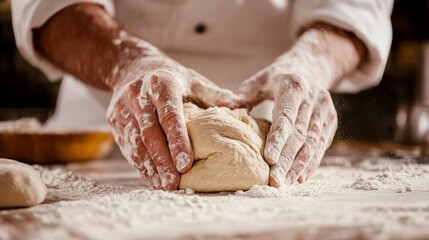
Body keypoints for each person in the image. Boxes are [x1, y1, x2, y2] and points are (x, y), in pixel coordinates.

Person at [11, 0, 393, 190]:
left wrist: (312, 65)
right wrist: (127, 65)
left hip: (279, 124)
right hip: (111, 119)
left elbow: (355, 8)